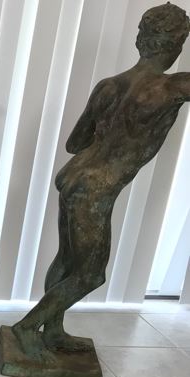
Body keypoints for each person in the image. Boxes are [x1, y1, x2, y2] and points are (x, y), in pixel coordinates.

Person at [12, 2, 190, 358]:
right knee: (91, 274)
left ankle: (53, 331)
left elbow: (74, 143)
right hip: (97, 188)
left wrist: (110, 134)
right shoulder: (175, 86)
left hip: (73, 176)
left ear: (140, 40)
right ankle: (28, 327)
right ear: (176, 44)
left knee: (67, 259)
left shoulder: (109, 86)